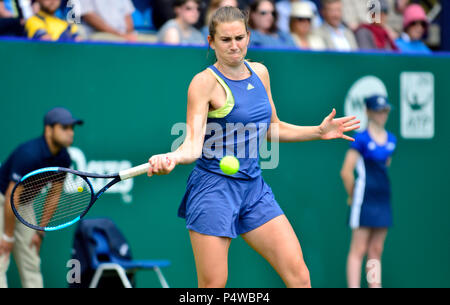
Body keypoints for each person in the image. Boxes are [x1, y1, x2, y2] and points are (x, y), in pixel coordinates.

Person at [145, 6, 360, 288]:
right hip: (214, 190)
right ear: (211, 42)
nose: (234, 46)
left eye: (239, 38)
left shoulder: (260, 72)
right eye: (225, 40)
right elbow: (192, 146)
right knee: (213, 286)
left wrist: (318, 132)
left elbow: (272, 128)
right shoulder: (204, 83)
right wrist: (171, 158)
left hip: (254, 189)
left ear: (248, 36)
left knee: (300, 277)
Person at [0, 107, 83, 288]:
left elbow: (54, 193)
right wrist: (7, 236)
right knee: (1, 256)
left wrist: (40, 229)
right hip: (3, 200)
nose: (70, 133)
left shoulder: (63, 158)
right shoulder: (28, 154)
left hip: (23, 203)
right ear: (48, 129)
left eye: (72, 128)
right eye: (65, 127)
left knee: (31, 261)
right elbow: (10, 196)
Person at [340, 95, 397, 288]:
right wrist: (353, 195)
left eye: (385, 111)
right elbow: (346, 172)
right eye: (378, 111)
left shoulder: (391, 140)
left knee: (376, 249)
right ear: (368, 112)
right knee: (359, 249)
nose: (382, 115)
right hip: (364, 200)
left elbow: (385, 167)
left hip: (383, 199)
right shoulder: (361, 139)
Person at [77, 0, 156, 43]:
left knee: (155, 41)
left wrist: (128, 34)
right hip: (97, 34)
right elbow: (88, 16)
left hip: (123, 35)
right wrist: (120, 35)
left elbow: (128, 17)